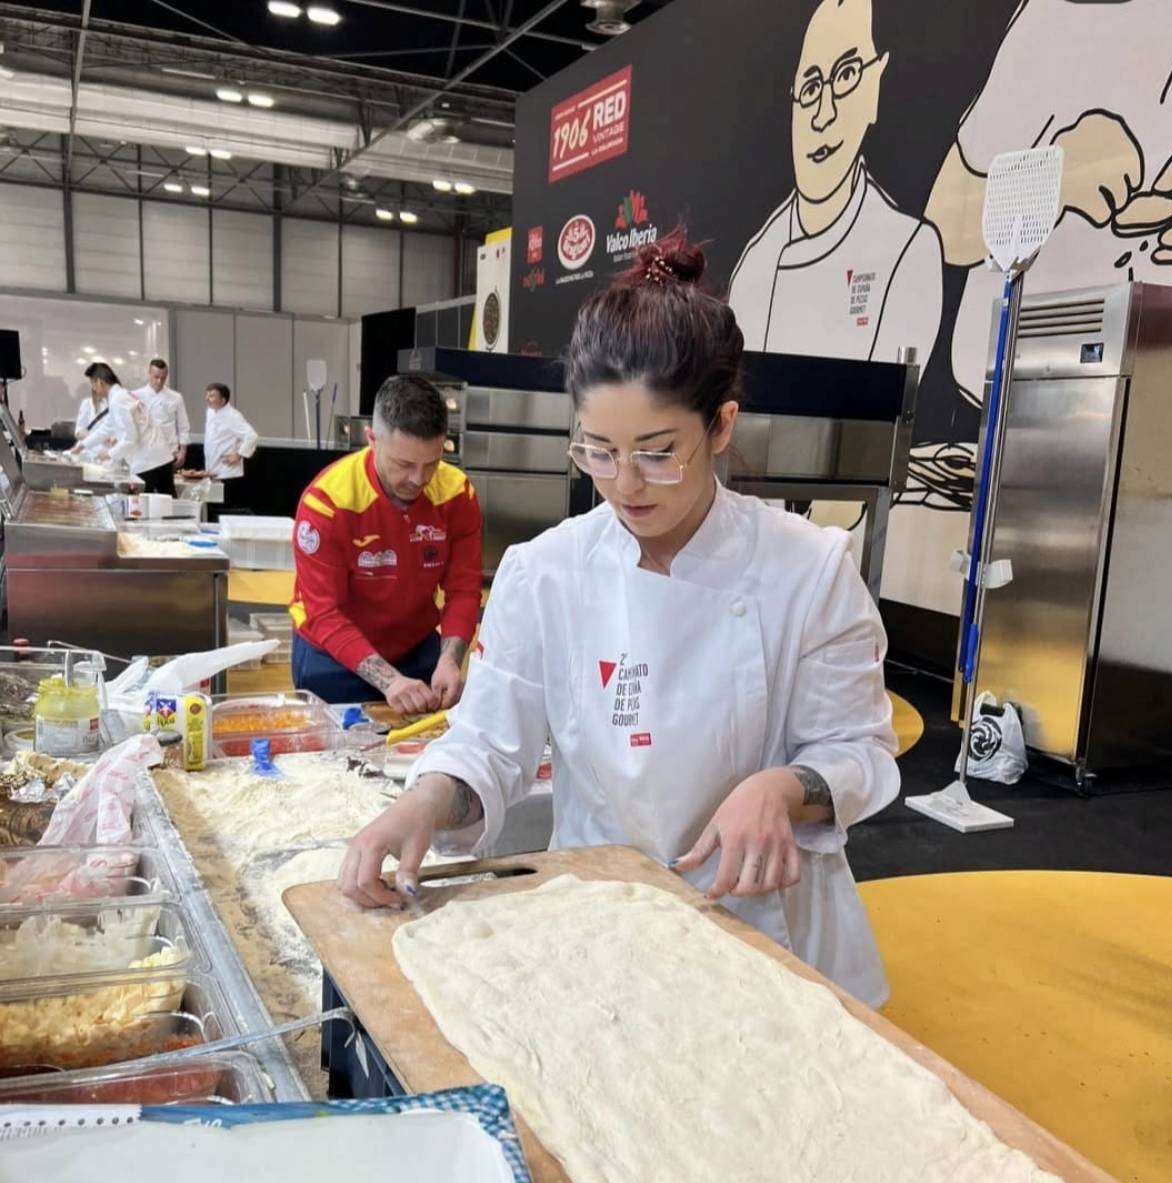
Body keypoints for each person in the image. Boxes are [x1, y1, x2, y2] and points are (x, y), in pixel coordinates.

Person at [340, 232, 901, 1007]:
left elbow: (860, 754)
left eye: (658, 452)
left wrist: (783, 787)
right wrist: (428, 798)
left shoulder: (808, 569)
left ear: (723, 426)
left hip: (765, 927)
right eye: (598, 451)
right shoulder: (548, 571)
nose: (625, 484)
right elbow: (491, 743)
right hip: (602, 923)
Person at [924, 0, 1172, 402]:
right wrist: (1058, 175)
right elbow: (943, 227)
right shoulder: (1053, 20)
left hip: (1165, 393)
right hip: (1023, 391)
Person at [728, 0, 941, 375]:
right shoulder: (753, 267)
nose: (823, 113)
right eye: (810, 88)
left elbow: (882, 427)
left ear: (875, 85)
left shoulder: (908, 252)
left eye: (846, 76)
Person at [289, 374, 483, 714]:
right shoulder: (327, 503)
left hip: (417, 650)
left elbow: (464, 591)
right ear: (372, 439)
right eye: (404, 464)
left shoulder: (457, 494)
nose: (418, 479)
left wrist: (451, 660)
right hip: (331, 657)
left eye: (432, 464)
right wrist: (389, 681)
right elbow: (324, 613)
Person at [85, 362, 173, 483]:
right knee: (166, 498)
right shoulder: (119, 396)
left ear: (100, 382)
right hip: (157, 457)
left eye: (93, 384)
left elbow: (130, 438)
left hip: (150, 461)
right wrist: (82, 445)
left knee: (151, 500)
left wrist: (109, 454)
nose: (93, 389)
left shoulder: (118, 399)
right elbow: (107, 427)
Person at [133, 358, 190, 486]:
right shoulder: (136, 395)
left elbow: (183, 425)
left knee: (167, 491)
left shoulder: (176, 397)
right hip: (144, 452)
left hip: (168, 452)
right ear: (149, 374)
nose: (159, 381)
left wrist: (183, 451)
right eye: (156, 377)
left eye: (163, 378)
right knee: (144, 491)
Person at [202, 384, 258, 503]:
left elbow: (252, 436)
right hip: (212, 469)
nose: (207, 398)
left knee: (226, 508)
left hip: (228, 472)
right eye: (207, 395)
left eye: (211, 396)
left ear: (222, 400)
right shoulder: (210, 411)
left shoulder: (233, 416)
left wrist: (238, 454)